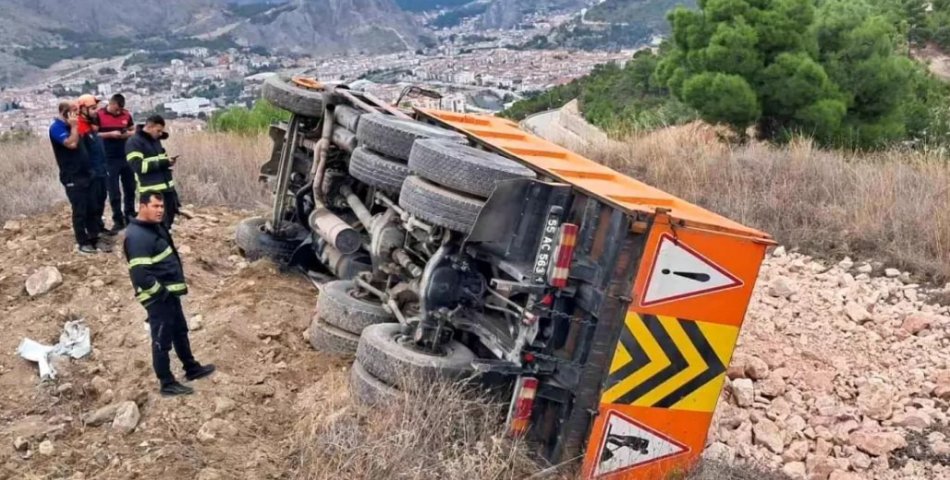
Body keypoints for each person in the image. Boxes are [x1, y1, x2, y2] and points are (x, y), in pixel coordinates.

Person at [123, 191, 215, 396]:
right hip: (158, 298)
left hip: (168, 294)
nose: (160, 211)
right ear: (142, 206)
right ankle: (166, 382)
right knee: (162, 338)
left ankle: (191, 368)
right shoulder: (137, 236)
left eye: (162, 207)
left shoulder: (153, 228)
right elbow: (140, 274)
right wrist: (160, 293)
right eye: (155, 206)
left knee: (179, 331)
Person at [48, 101, 101, 254]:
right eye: (73, 111)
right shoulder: (57, 128)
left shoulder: (75, 126)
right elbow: (71, 144)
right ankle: (82, 242)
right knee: (80, 210)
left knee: (92, 206)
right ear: (65, 112)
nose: (77, 114)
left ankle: (94, 238)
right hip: (72, 175)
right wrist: (74, 126)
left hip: (86, 172)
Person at [126, 115, 180, 229]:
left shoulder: (155, 141)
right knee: (154, 225)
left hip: (166, 188)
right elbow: (138, 167)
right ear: (150, 126)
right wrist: (163, 162)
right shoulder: (134, 142)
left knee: (167, 222)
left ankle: (165, 244)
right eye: (158, 130)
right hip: (151, 191)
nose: (160, 134)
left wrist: (168, 162)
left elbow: (160, 161)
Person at [76, 94, 115, 245]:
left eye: (96, 108)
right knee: (91, 205)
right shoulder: (80, 127)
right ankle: (93, 236)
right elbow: (83, 154)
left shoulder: (90, 126)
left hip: (100, 170)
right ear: (83, 109)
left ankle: (98, 228)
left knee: (100, 200)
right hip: (92, 173)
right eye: (92, 108)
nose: (95, 111)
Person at [96, 94, 136, 231]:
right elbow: (94, 134)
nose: (119, 112)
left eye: (121, 110)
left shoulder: (126, 115)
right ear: (111, 104)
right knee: (113, 190)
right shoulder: (99, 115)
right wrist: (110, 134)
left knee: (130, 187)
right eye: (116, 109)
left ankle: (130, 214)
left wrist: (128, 134)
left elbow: (133, 129)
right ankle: (118, 219)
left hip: (126, 155)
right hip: (109, 158)